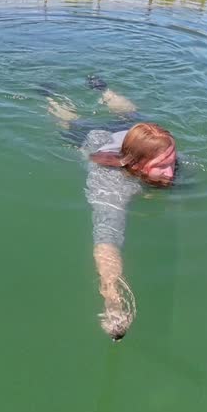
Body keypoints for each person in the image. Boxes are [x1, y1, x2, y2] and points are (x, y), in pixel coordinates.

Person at [45, 76, 178, 340]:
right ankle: (49, 93)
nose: (171, 172)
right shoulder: (112, 183)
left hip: (131, 135)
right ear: (137, 167)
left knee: (131, 115)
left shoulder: (160, 153)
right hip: (94, 138)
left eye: (172, 162)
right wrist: (113, 300)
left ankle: (103, 89)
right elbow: (106, 238)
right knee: (69, 120)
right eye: (163, 166)